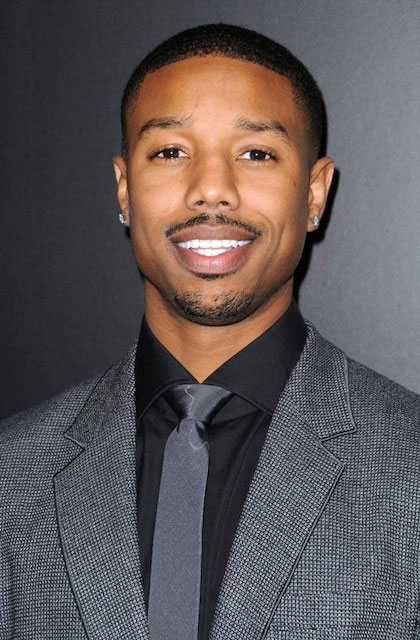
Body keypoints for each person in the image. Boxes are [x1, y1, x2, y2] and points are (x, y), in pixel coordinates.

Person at [1, 23, 420, 640]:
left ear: (314, 192)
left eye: (257, 153)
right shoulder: (12, 476)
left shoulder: (408, 466)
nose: (212, 190)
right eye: (170, 151)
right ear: (124, 189)